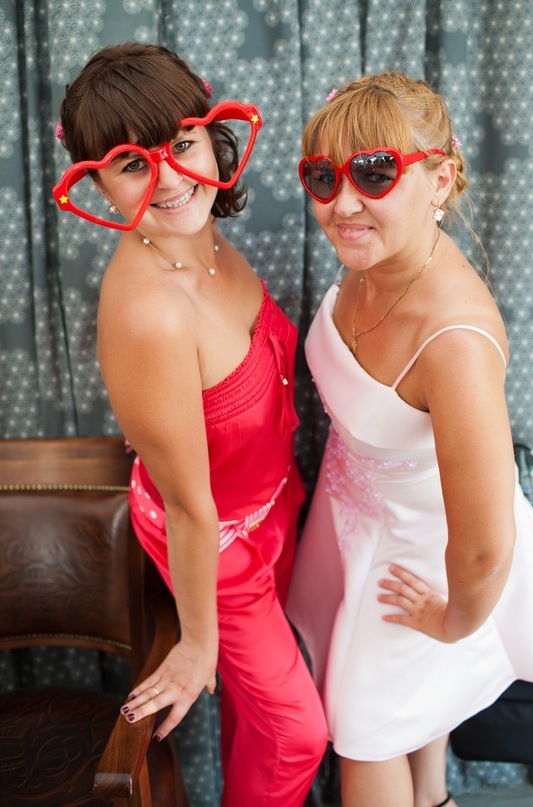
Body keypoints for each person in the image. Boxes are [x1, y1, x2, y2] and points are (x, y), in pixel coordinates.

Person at [53, 42, 327, 807]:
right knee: (297, 732)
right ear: (95, 182)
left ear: (211, 135)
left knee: (261, 719)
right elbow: (187, 502)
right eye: (132, 164)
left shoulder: (201, 237)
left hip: (275, 504)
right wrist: (199, 641)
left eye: (180, 144)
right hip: (211, 537)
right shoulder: (150, 313)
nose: (171, 179)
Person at [286, 71, 533, 807]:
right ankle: (433, 797)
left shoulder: (453, 341)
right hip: (358, 519)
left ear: (440, 179)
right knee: (407, 714)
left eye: (375, 173)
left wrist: (452, 620)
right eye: (323, 176)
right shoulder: (376, 257)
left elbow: (484, 544)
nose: (342, 203)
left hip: (427, 559)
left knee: (365, 734)